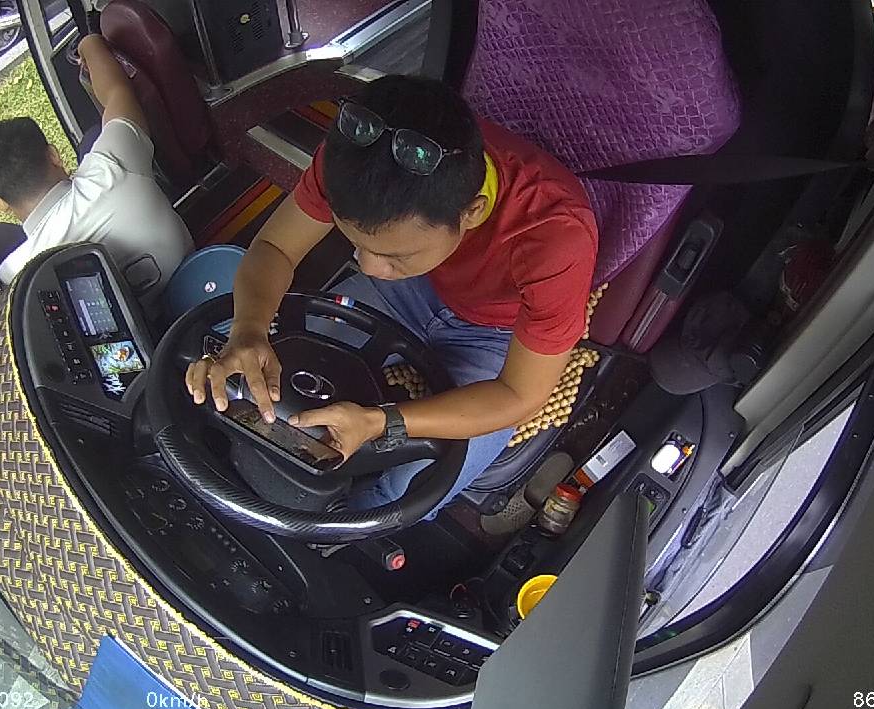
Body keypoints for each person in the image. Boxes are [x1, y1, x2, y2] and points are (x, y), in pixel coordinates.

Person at [185, 74, 598, 517]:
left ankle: (335, 530)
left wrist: (383, 422)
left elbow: (518, 393)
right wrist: (248, 330)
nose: (366, 267)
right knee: (275, 377)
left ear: (473, 212)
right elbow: (275, 247)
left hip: (497, 334)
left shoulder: (555, 237)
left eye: (394, 255)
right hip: (413, 288)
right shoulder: (356, 162)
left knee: (408, 491)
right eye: (354, 243)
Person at [0, 34, 190, 303]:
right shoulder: (111, 166)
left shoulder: (18, 274)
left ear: (1, 203)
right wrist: (89, 43)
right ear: (54, 156)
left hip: (153, 326)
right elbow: (118, 92)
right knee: (92, 138)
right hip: (199, 279)